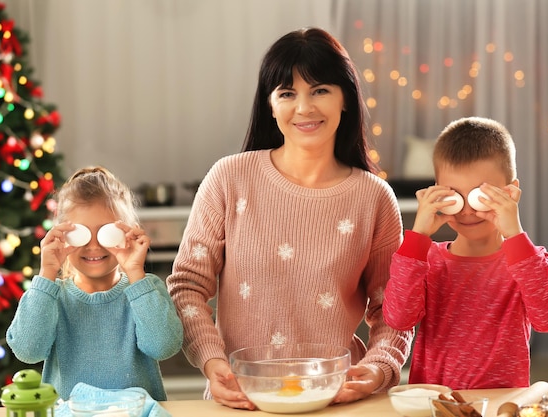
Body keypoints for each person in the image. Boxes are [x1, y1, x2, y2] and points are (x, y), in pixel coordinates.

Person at [167, 27, 413, 410]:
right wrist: (213, 361)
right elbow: (187, 286)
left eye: (320, 90)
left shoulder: (374, 198)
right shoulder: (228, 179)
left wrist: (380, 367)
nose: (304, 108)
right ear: (270, 104)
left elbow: (393, 309)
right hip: (242, 400)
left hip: (337, 399)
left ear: (345, 98)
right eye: (287, 93)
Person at [383, 117, 548, 389]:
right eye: (456, 196)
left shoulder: (527, 260)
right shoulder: (428, 260)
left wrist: (515, 235)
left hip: (501, 404)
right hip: (436, 403)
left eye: (480, 196)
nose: (468, 211)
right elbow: (398, 319)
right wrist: (418, 236)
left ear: (511, 192)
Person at [6, 166, 183, 400]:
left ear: (127, 232)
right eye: (81, 233)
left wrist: (135, 274)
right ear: (62, 234)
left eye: (105, 233)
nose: (94, 246)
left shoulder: (144, 289)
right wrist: (47, 272)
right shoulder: (51, 296)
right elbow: (28, 351)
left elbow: (164, 346)